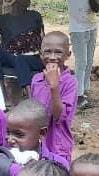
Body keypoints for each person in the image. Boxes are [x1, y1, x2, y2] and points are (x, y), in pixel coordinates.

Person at [29, 31, 77, 159]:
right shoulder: (36, 79)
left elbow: (58, 116)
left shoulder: (70, 82)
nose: (52, 57)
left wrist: (54, 86)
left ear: (68, 55)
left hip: (58, 146)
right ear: (40, 54)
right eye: (47, 52)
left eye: (58, 52)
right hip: (37, 144)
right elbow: (32, 111)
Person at [0, 0, 45, 93]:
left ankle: (29, 95)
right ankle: (0, 90)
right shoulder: (2, 19)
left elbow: (43, 39)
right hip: (12, 58)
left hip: (32, 58)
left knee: (21, 59)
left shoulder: (34, 16)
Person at [5, 99, 69, 168]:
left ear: (42, 133)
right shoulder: (3, 160)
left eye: (19, 134)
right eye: (8, 132)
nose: (10, 140)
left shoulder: (57, 164)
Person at [67, 0, 99, 109]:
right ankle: (78, 95)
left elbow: (96, 8)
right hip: (77, 30)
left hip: (92, 28)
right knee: (81, 62)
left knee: (89, 61)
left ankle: (84, 90)